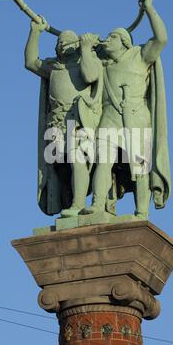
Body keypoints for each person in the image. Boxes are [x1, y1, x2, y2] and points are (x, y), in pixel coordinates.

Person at [83, 0, 171, 219]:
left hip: (136, 116)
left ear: (124, 41)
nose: (107, 40)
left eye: (112, 37)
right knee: (103, 160)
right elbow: (83, 71)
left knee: (140, 168)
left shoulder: (139, 56)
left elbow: (161, 38)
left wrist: (149, 8)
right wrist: (85, 47)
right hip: (110, 116)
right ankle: (97, 204)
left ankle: (142, 212)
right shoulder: (103, 64)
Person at [25, 17, 103, 217]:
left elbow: (90, 76)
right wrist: (35, 32)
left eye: (66, 42)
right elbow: (31, 62)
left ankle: (78, 204)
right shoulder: (54, 68)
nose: (61, 45)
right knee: (60, 168)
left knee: (78, 160)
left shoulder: (86, 61)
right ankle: (67, 204)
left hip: (79, 120)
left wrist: (86, 48)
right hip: (56, 123)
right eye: (59, 43)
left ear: (76, 45)